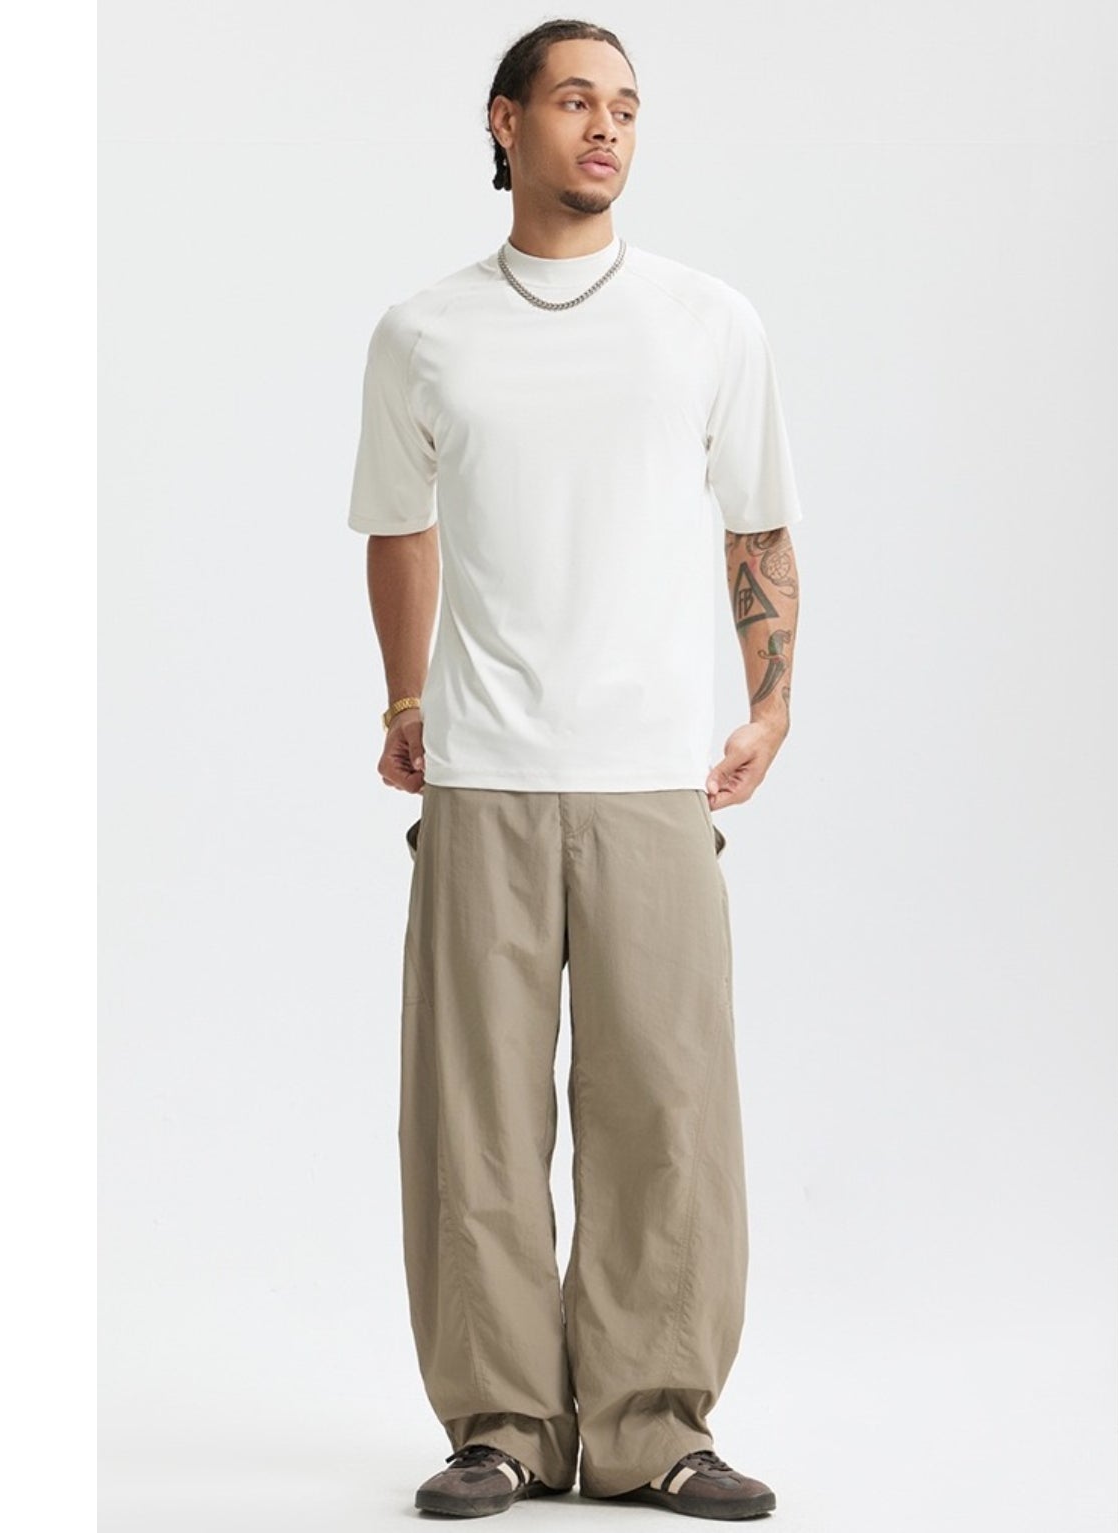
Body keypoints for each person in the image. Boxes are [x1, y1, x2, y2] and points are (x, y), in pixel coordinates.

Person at [347, 18, 803, 1521]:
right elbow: (397, 522)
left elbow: (756, 521)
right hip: (481, 770)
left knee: (666, 1110)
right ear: (506, 123)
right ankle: (502, 1426)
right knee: (472, 1117)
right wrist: (405, 692)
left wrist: (771, 700)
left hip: (653, 774)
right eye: (574, 102)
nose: (606, 128)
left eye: (626, 107)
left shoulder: (705, 320)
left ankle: (653, 1427)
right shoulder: (425, 332)